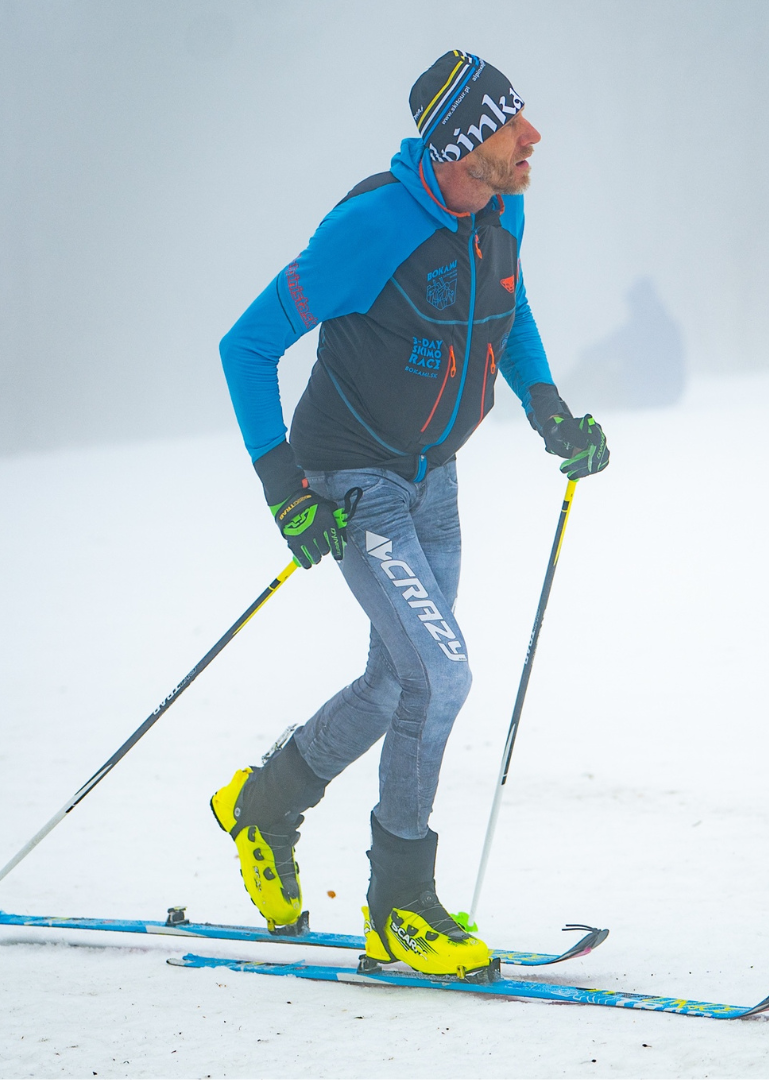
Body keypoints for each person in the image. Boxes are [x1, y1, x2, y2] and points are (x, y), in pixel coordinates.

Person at [208, 52, 609, 980]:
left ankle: (264, 804)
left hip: (436, 478)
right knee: (443, 673)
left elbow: (508, 310)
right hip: (352, 479)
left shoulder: (500, 209)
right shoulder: (371, 227)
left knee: (398, 682)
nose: (533, 137)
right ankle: (400, 910)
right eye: (514, 124)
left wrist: (548, 408)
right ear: (468, 142)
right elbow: (247, 345)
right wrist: (284, 490)